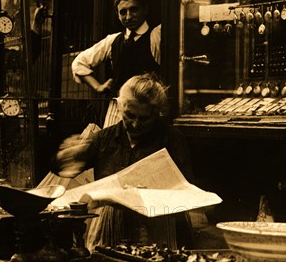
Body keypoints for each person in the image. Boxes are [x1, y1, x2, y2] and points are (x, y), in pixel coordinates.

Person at [55, 73, 194, 251]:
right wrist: (65, 156)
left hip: (157, 223)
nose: (135, 124)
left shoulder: (171, 139)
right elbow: (64, 167)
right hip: (109, 225)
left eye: (144, 118)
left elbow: (187, 186)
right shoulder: (104, 139)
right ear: (120, 107)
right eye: (129, 115)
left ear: (157, 113)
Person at [71, 0, 161, 127]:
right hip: (117, 111)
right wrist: (98, 86)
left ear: (145, 9)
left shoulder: (156, 35)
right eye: (123, 12)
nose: (128, 17)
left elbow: (178, 3)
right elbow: (79, 63)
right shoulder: (113, 41)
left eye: (134, 9)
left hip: (147, 111)